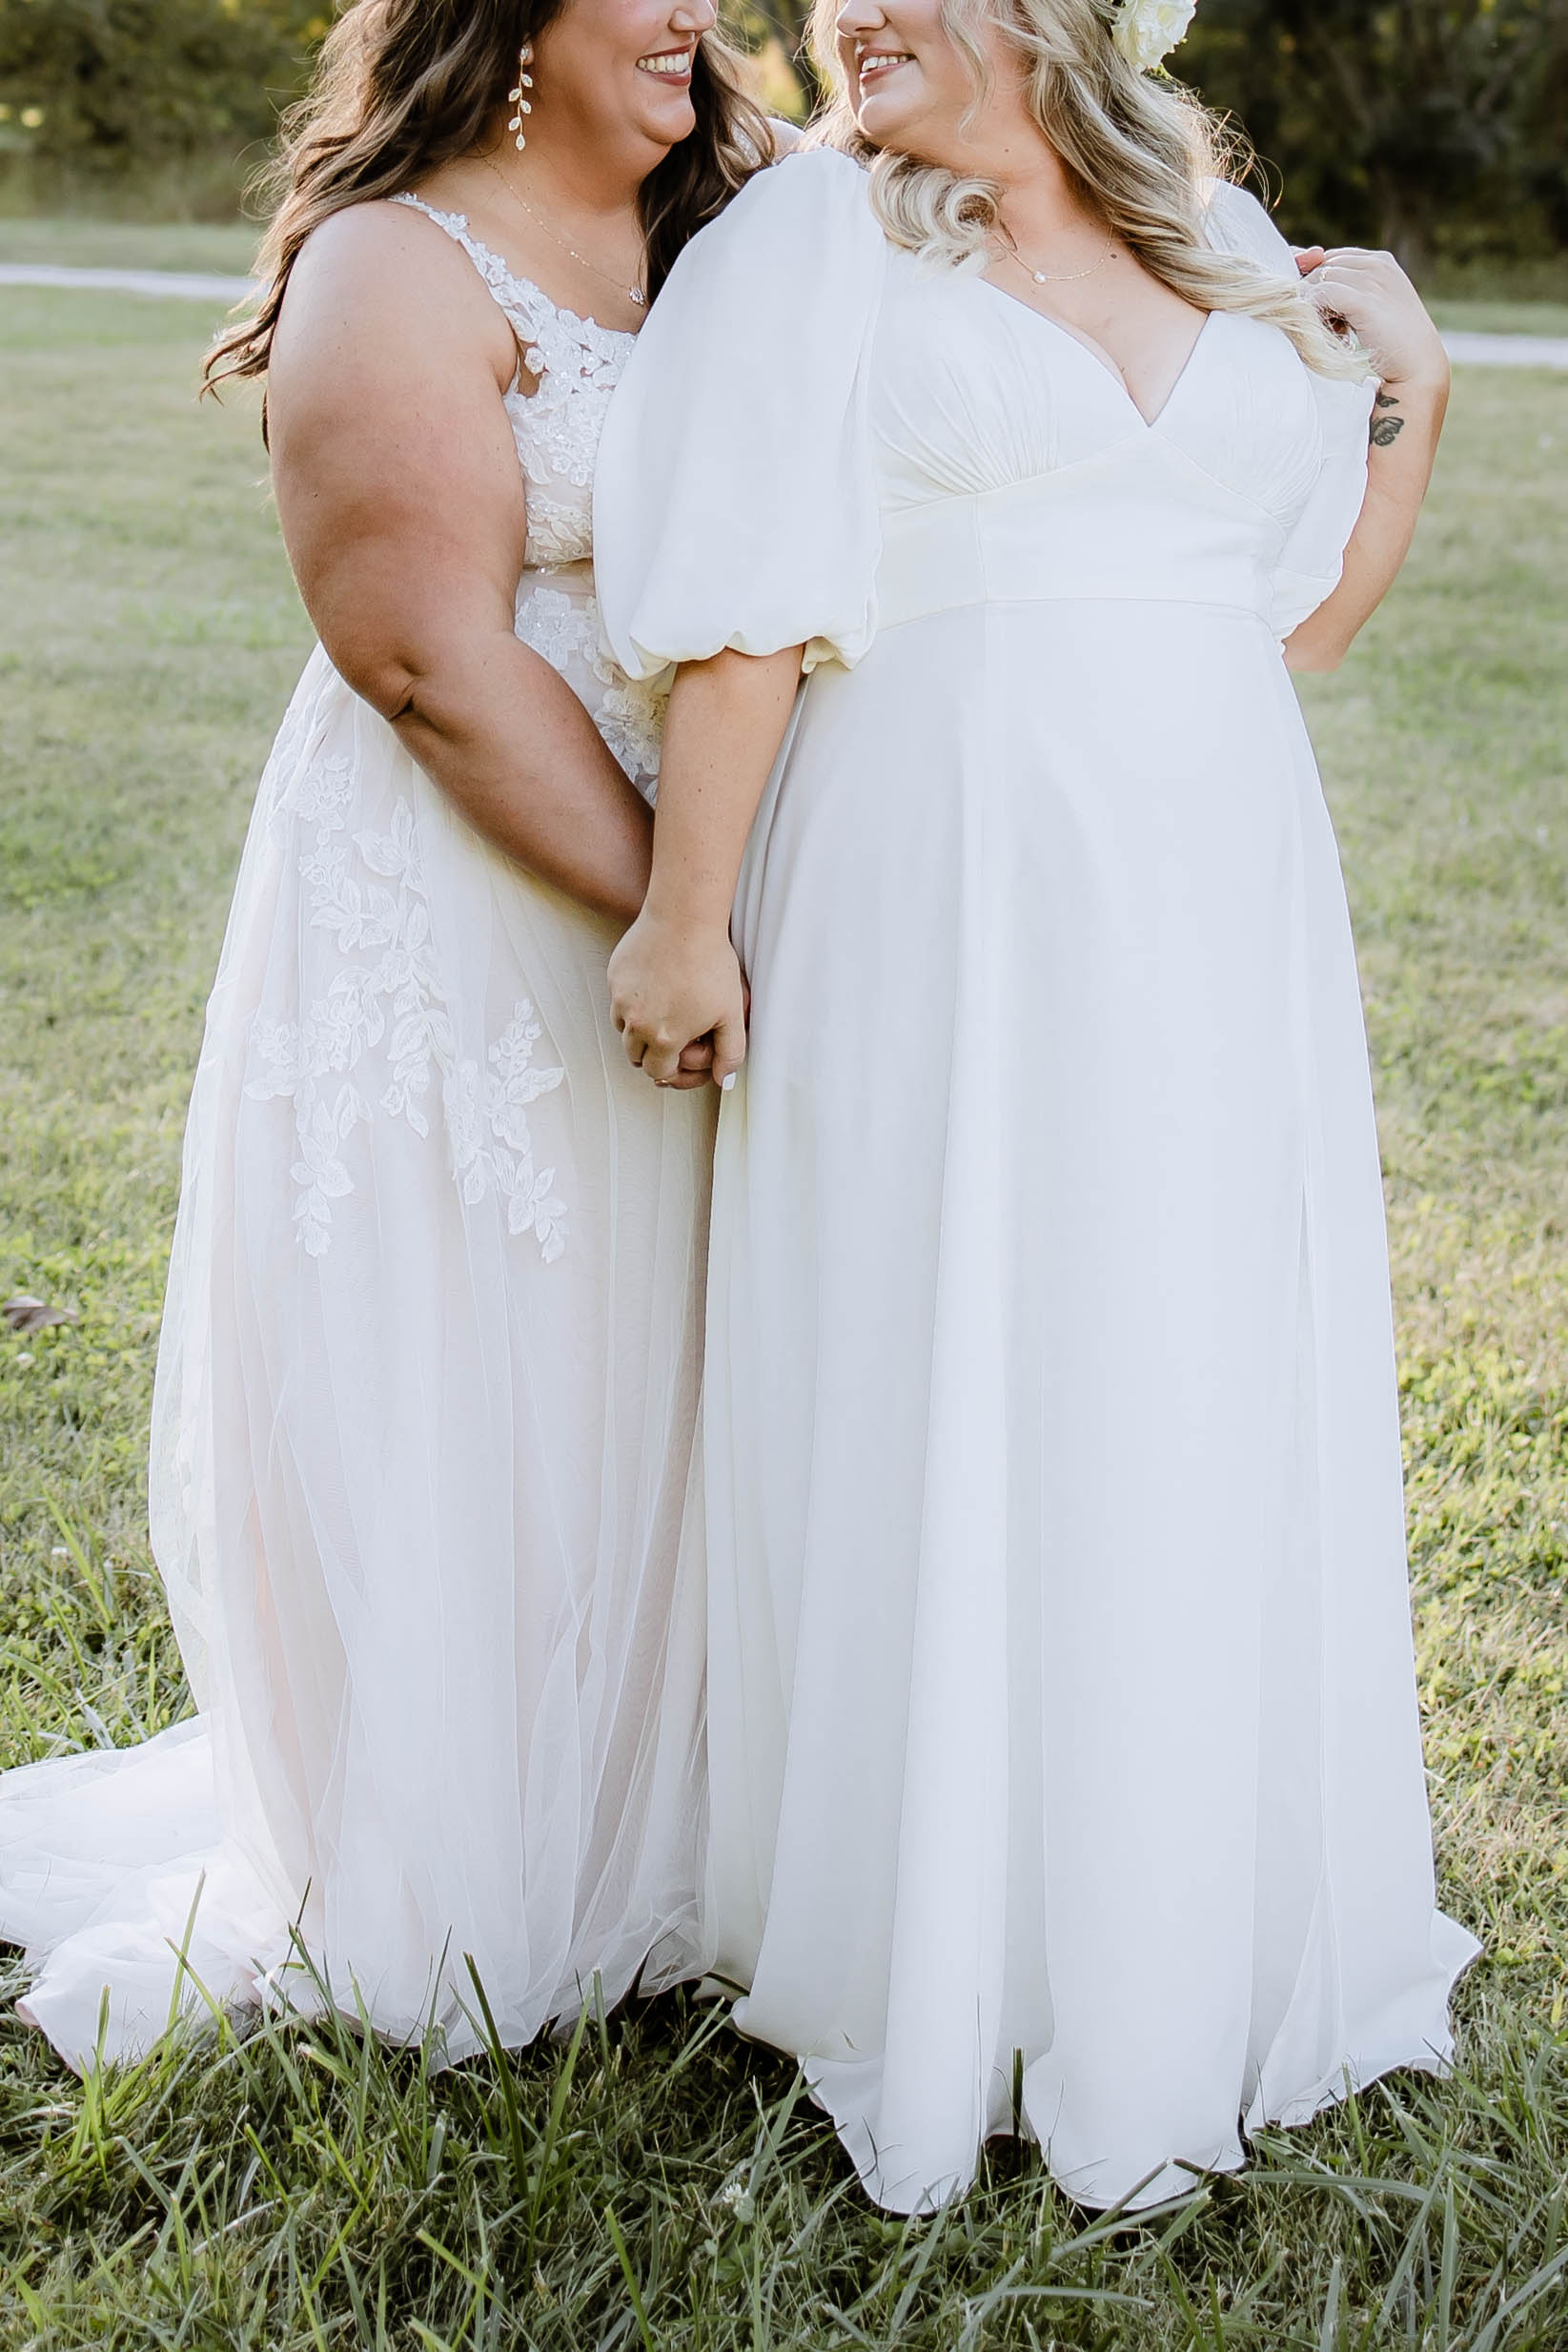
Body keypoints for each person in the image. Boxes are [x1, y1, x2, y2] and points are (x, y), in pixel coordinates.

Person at [595, 0, 1479, 2212]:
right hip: (945, 880)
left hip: (1215, 891)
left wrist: (1412, 405)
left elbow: (1295, 622)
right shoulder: (813, 245)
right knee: (950, 1351)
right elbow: (743, 621)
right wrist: (685, 921)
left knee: (1179, 1364)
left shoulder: (1221, 239)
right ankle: (941, 1931)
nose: (851, 20)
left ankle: (1168, 1914)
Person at [0, 0, 775, 2070]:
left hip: (687, 906)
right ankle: (446, 1840)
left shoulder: (743, 225)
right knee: (488, 1342)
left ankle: (668, 1809)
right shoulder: (394, 263)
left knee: (670, 1353)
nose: (697, 14)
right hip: (475, 900)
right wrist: (685, 911)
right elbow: (423, 655)